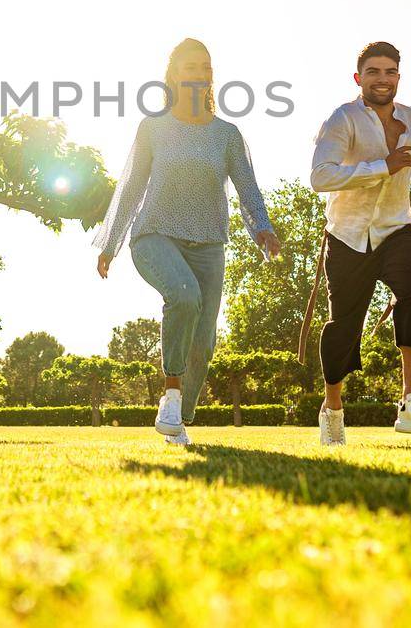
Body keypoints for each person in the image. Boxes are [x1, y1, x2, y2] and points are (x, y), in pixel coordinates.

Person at [94, 38, 282, 445]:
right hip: (155, 235)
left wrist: (262, 228)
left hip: (209, 243)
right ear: (174, 75)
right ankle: (172, 395)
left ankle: (179, 417)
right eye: (190, 67)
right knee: (183, 295)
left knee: (204, 343)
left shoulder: (226, 134)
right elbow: (130, 188)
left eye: (205, 68)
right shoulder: (154, 128)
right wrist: (110, 242)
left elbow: (248, 189)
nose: (198, 74)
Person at [306, 40, 411, 448]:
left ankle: (410, 402)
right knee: (344, 326)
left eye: (389, 72)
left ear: (399, 77)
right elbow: (320, 177)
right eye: (373, 72)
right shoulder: (342, 119)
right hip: (347, 233)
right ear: (358, 78)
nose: (382, 80)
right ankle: (332, 408)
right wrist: (381, 168)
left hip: (397, 226)